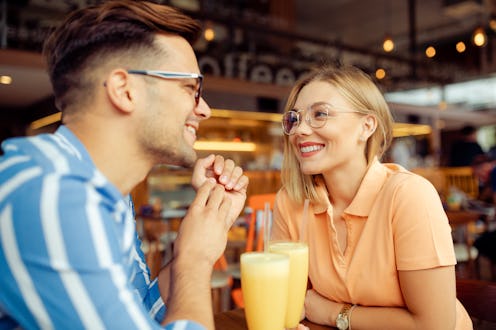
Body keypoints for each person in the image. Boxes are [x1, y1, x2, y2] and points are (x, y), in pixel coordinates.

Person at [0, 1, 249, 329]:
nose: (205, 109)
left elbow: (139, 312)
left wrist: (206, 224)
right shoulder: (50, 193)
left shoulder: (106, 194)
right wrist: (195, 259)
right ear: (124, 90)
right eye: (191, 87)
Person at [271, 65, 472, 329]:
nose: (299, 131)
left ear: (366, 126)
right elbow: (291, 303)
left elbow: (435, 325)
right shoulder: (291, 201)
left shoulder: (409, 196)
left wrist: (335, 314)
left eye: (320, 114)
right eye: (294, 119)